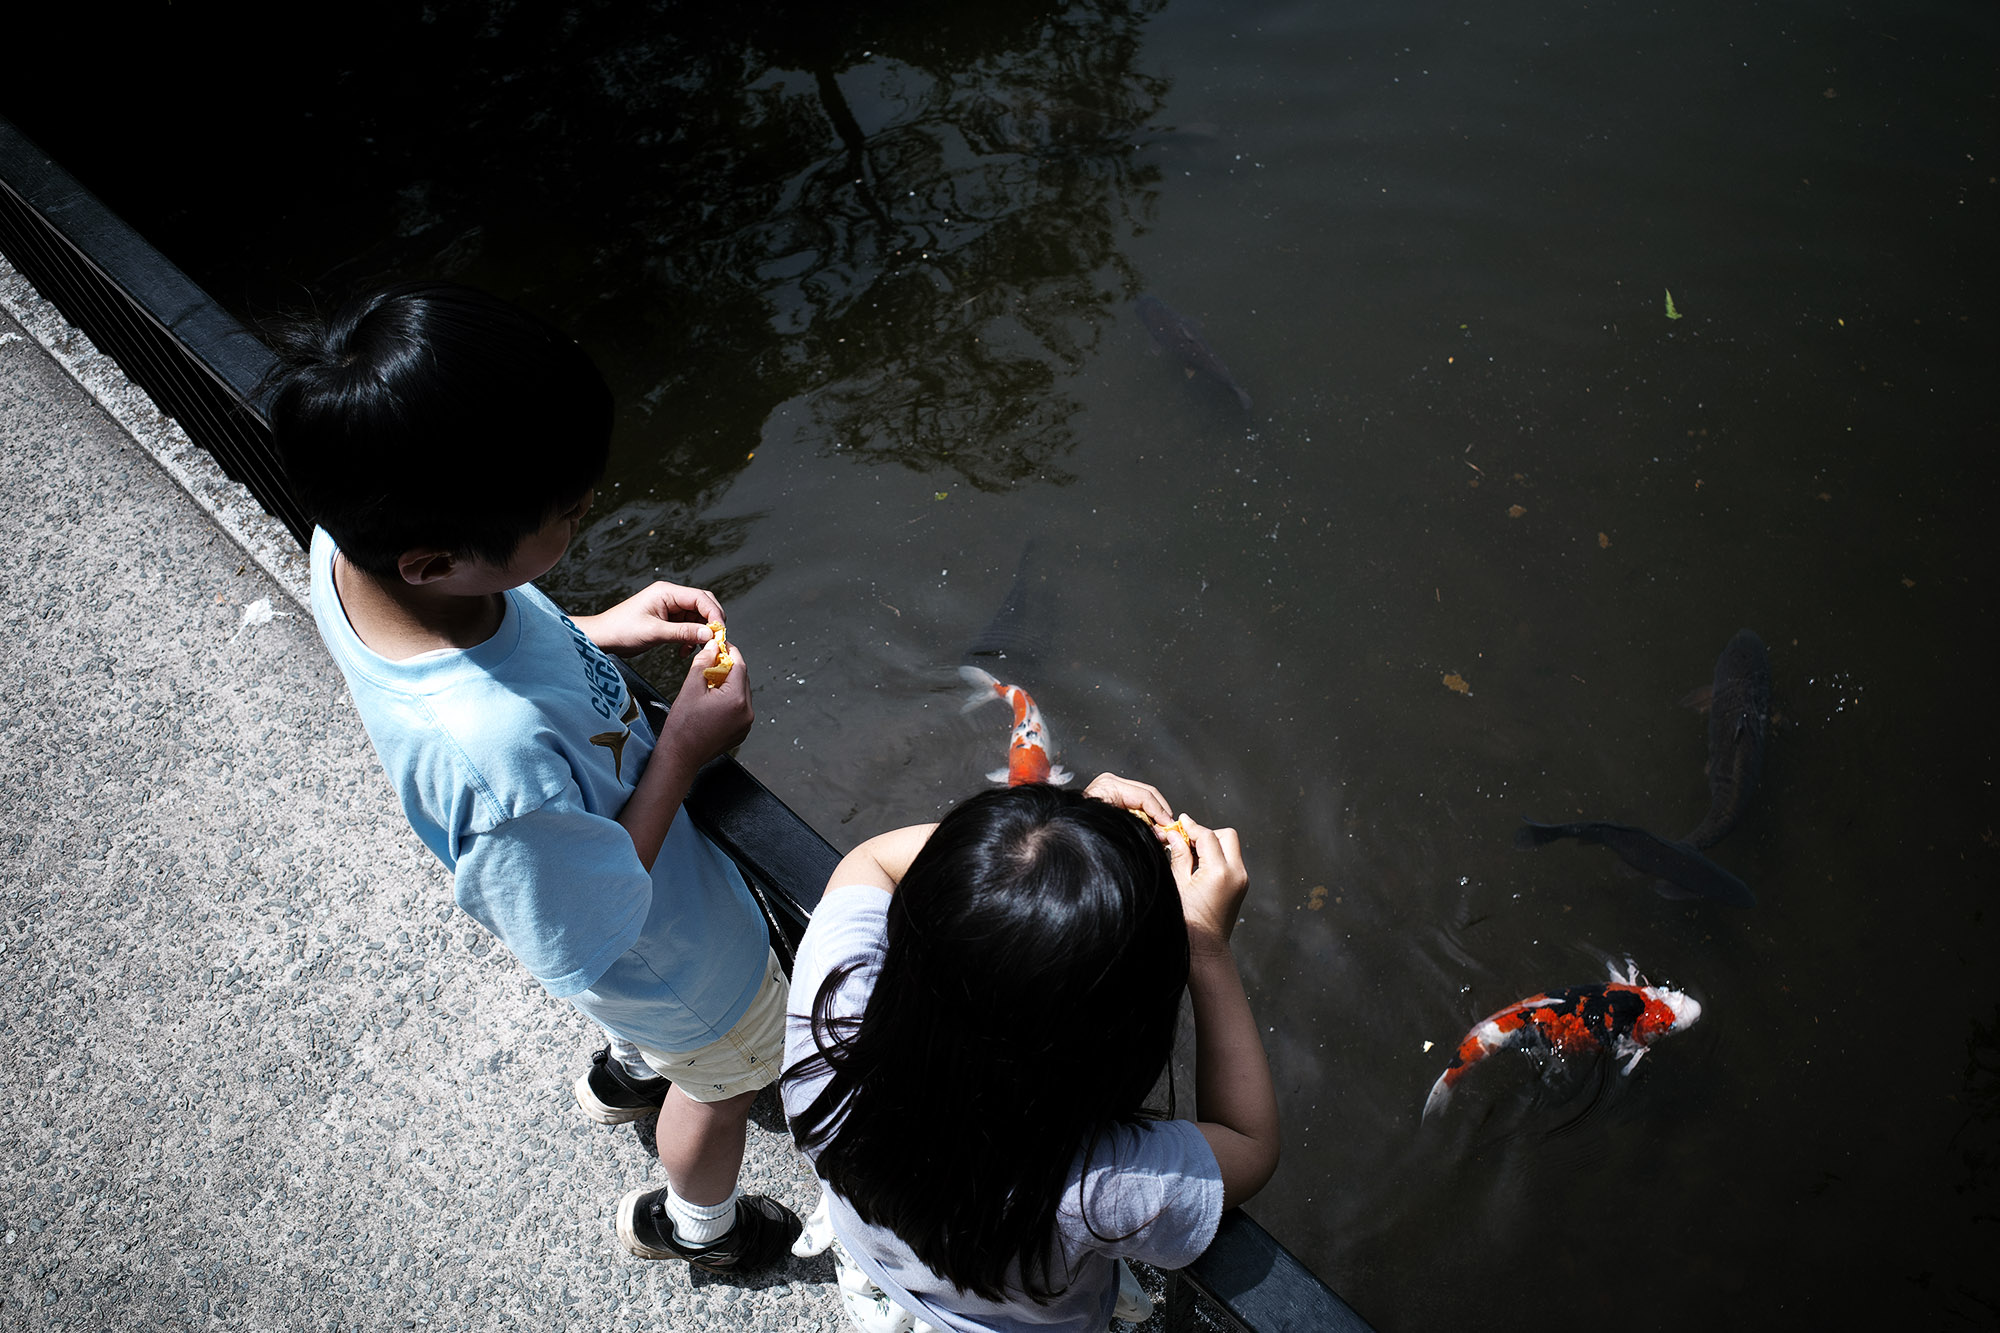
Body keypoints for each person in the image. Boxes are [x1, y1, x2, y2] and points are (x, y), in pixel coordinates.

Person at [267, 280, 800, 1274]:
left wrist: (595, 629)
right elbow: (584, 921)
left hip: (638, 960)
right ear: (434, 561)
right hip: (672, 951)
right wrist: (681, 747)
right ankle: (703, 1229)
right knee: (725, 1082)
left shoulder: (348, 544)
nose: (584, 519)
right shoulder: (489, 755)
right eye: (565, 514)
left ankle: (628, 1072)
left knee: (668, 1040)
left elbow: (504, 661)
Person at [782, 775, 1280, 1333]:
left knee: (899, 1266)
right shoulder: (1098, 1189)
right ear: (1123, 1046)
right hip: (1023, 1322)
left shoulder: (827, 1046)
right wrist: (1208, 948)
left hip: (877, 1241)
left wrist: (1048, 846)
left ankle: (885, 1289)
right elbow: (1251, 1145)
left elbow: (870, 860)